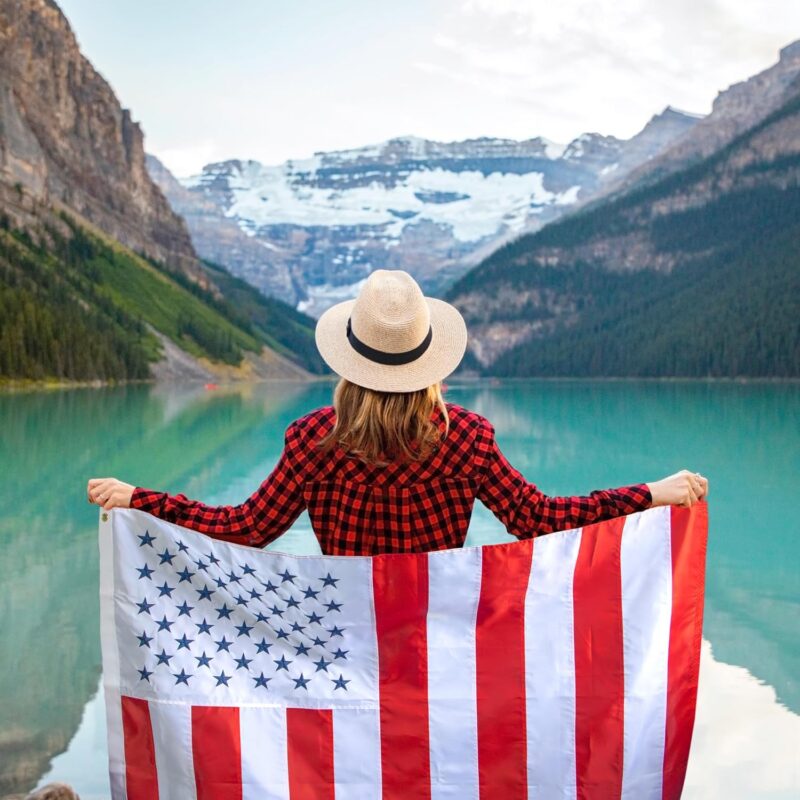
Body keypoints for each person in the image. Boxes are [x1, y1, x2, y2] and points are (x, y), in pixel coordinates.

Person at [87, 269, 708, 555]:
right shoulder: (467, 437)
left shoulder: (312, 441)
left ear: (348, 360)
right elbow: (535, 519)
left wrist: (140, 498)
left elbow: (245, 529)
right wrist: (653, 493)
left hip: (346, 634)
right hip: (438, 638)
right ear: (427, 361)